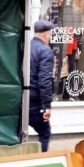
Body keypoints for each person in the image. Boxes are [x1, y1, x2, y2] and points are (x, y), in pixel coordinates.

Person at [30, 20, 55, 152]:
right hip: (35, 102)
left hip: (21, 99)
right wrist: (47, 106)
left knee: (17, 135)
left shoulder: (26, 46)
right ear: (46, 34)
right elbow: (45, 80)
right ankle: (41, 162)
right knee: (45, 133)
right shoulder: (45, 51)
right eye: (50, 34)